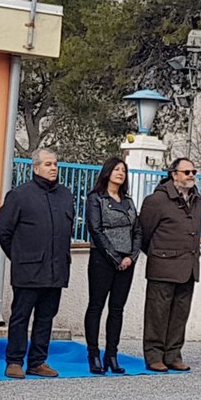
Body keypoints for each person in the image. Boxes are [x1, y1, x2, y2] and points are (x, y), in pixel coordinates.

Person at [0, 149, 74, 379]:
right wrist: (18, 256)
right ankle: (14, 361)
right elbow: (3, 228)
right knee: (21, 317)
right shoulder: (20, 195)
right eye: (48, 164)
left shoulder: (65, 195)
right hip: (28, 269)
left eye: (55, 164)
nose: (53, 168)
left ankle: (38, 361)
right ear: (36, 168)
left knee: (46, 317)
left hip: (56, 268)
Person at [139, 157, 201, 372]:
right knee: (157, 313)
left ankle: (173, 354)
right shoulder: (156, 200)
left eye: (193, 172)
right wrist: (159, 254)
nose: (191, 175)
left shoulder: (197, 200)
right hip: (163, 266)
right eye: (186, 172)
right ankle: (154, 355)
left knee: (180, 314)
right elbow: (144, 233)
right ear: (174, 175)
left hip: (188, 267)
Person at [84, 157, 142, 375]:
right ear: (107, 172)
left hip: (127, 262)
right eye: (116, 169)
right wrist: (115, 257)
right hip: (102, 260)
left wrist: (131, 257)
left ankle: (112, 355)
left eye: (123, 170)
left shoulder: (128, 201)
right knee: (96, 306)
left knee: (117, 309)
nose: (120, 173)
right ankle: (93, 355)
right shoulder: (96, 198)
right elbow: (95, 229)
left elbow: (137, 231)